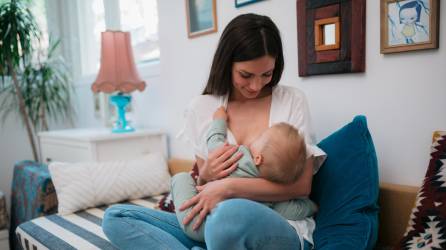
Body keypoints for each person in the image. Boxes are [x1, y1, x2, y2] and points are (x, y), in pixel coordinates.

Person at [102, 13, 326, 250]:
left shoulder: (292, 101)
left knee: (227, 216)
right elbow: (203, 184)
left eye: (266, 74)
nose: (256, 85)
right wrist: (206, 173)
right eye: (246, 75)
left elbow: (301, 187)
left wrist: (228, 187)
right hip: (213, 222)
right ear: (227, 63)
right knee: (116, 217)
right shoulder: (202, 108)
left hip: (278, 225)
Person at [171, 107, 318, 242]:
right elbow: (295, 210)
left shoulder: (238, 156)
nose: (254, 139)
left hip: (197, 223)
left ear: (258, 158)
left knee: (180, 178)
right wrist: (312, 206)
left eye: (260, 137)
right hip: (226, 234)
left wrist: (219, 120)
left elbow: (214, 141)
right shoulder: (271, 198)